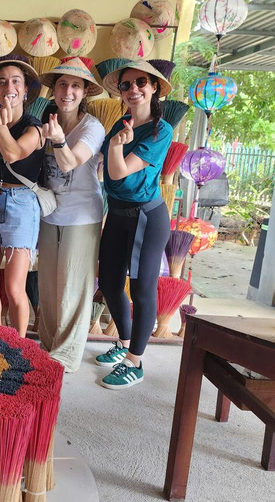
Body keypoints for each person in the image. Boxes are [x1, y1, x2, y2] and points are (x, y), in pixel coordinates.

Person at [95, 60, 173, 390]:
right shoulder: (121, 123)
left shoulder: (161, 131)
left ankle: (135, 361)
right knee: (110, 283)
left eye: (141, 82)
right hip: (117, 213)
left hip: (146, 217)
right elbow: (104, 169)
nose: (133, 89)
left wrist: (115, 146)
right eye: (125, 85)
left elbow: (118, 171)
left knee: (141, 290)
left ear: (154, 87)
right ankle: (124, 343)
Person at [36, 61, 106, 373]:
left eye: (76, 86)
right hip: (50, 213)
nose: (68, 91)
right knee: (49, 285)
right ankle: (48, 346)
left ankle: (66, 355)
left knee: (73, 285)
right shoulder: (44, 120)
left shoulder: (92, 127)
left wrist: (58, 140)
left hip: (82, 215)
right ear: (54, 89)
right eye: (63, 84)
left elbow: (69, 162)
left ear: (85, 92)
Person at [0, 60, 45, 337]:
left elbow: (14, 154)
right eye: (2, 82)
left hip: (21, 204)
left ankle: (19, 346)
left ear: (25, 90)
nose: (9, 86)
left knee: (14, 288)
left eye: (16, 81)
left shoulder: (34, 128)